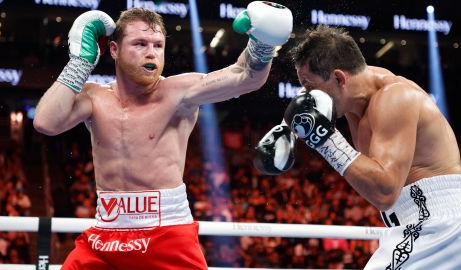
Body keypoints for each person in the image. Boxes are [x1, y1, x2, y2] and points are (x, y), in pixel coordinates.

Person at [33, 3, 293, 269]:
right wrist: (80, 62)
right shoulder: (94, 97)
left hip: (166, 232)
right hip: (106, 236)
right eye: (140, 44)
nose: (151, 53)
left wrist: (262, 45)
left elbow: (245, 76)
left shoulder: (178, 92)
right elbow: (45, 122)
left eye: (158, 45)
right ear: (114, 50)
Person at [254, 25, 461, 269]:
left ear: (339, 78)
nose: (306, 95)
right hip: (418, 222)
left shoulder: (395, 98)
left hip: (440, 224)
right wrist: (284, 128)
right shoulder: (352, 99)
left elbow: (385, 192)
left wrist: (325, 140)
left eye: (309, 86)